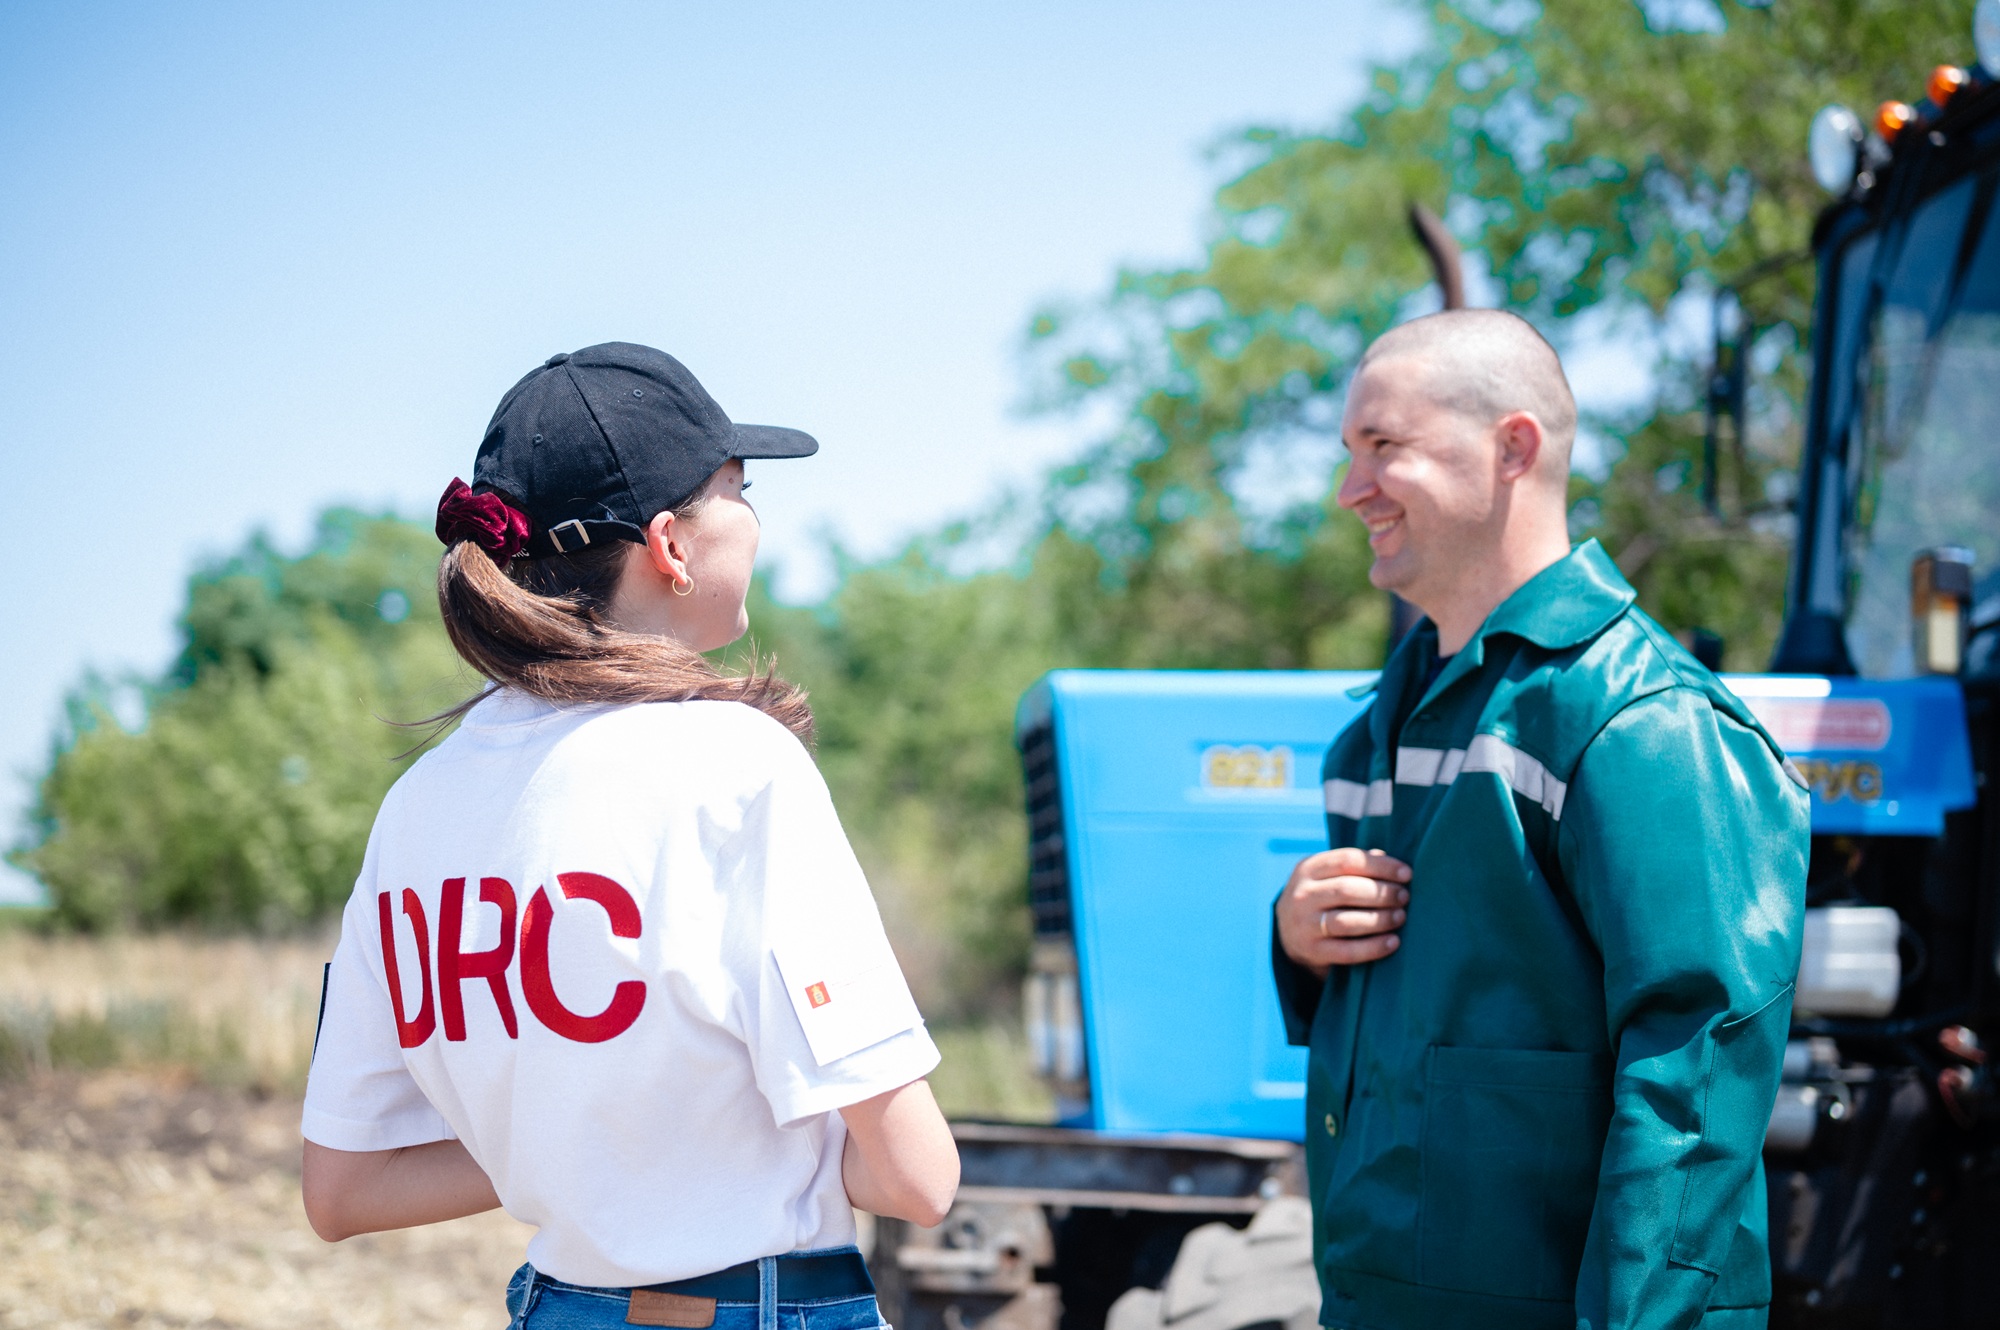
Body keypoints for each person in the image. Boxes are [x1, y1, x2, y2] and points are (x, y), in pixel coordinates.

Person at [300, 342, 960, 1330]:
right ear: (670, 544)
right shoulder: (733, 763)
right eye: (738, 488)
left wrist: (572, 1146)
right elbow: (917, 1176)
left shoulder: (416, 807)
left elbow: (342, 1190)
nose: (754, 520)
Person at [1271, 310, 1808, 1330]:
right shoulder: (1375, 733)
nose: (1348, 491)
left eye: (1383, 448)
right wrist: (1295, 942)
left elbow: (1692, 1086)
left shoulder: (1638, 720)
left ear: (1511, 448)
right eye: (1348, 453)